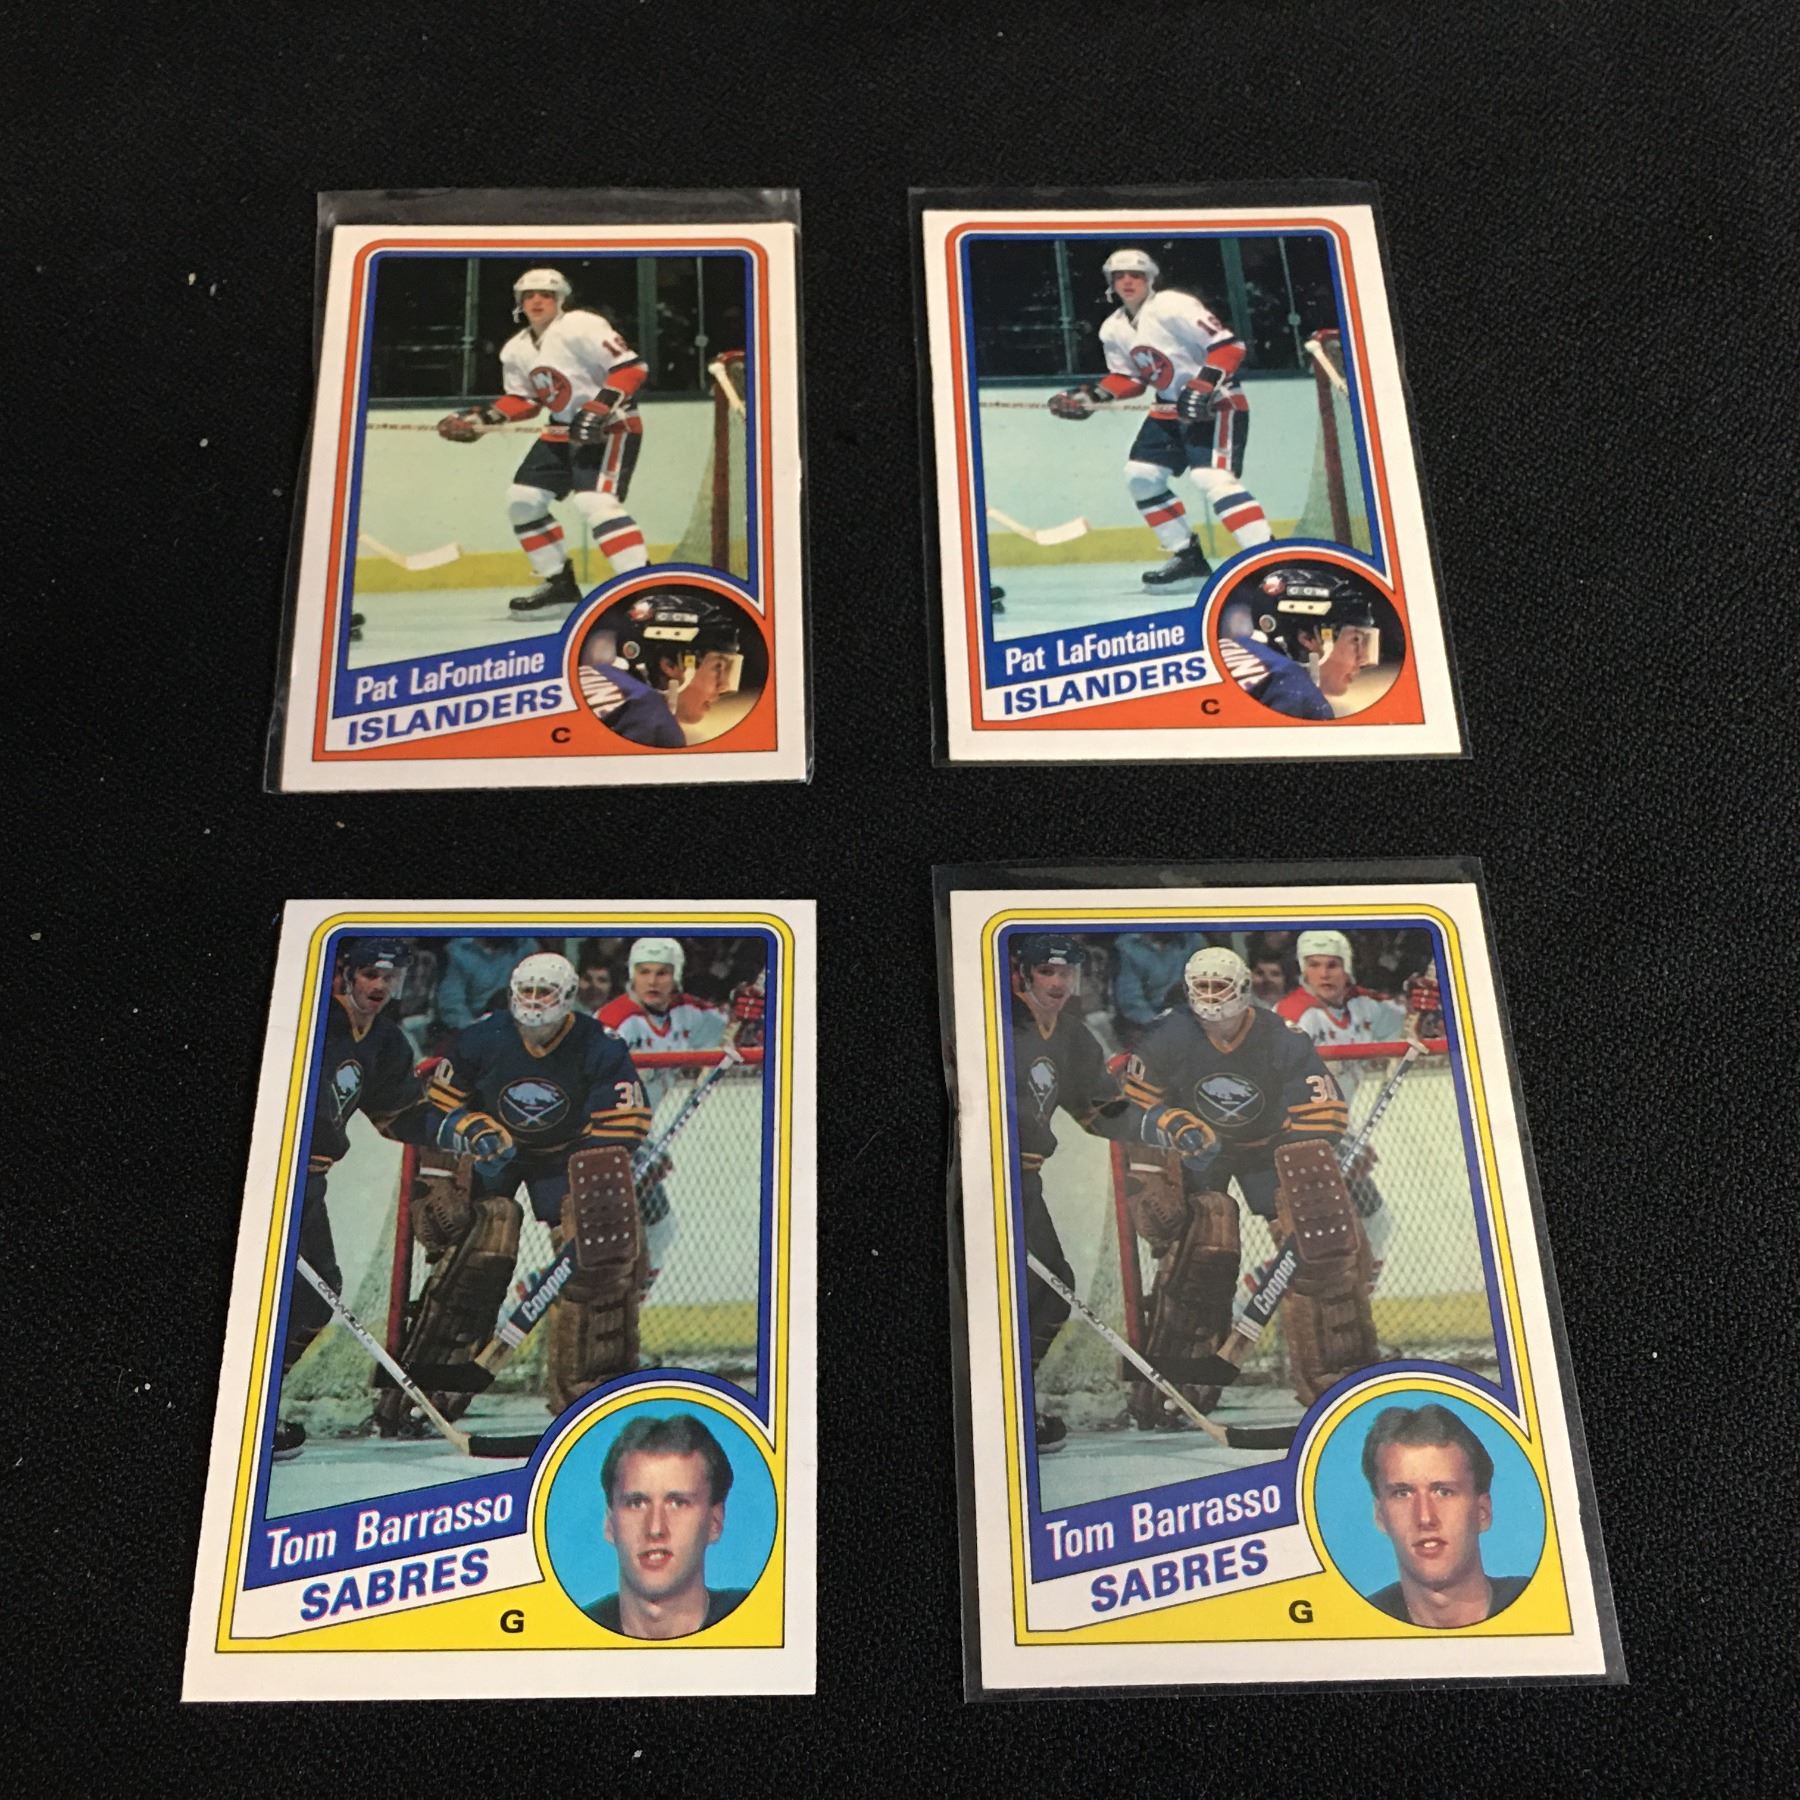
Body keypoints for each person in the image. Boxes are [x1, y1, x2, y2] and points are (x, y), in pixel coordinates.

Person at [381, 952, 653, 1428]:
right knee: (479, 1250)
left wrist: (591, 1179)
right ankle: (426, 1390)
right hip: (494, 1151)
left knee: (596, 1262)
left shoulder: (599, 1044)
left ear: (568, 997)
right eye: (526, 992)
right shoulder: (482, 1037)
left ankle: (588, 1395)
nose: (534, 1002)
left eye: (545, 993)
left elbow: (624, 1124)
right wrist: (451, 1158)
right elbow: (437, 1108)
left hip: (565, 1156)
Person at [1119, 947, 1377, 1414]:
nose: (1212, 997)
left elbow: (1325, 1112)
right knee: (1203, 1246)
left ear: (1242, 989)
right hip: (1201, 1150)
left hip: (1268, 1150)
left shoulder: (1281, 1037)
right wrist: (1168, 1125)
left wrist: (1301, 1172)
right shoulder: (1167, 1034)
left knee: (1321, 1251)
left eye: (1220, 987)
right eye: (1203, 987)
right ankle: (1179, 1378)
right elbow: (1131, 1104)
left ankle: (1337, 1377)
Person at [277, 939, 430, 1457]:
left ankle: (261, 1403)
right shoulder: (311, 1020)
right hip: (275, 1177)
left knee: (314, 1296)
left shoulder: (386, 1041)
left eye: (391, 977)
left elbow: (399, 1116)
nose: (380, 986)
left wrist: (457, 1128)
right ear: (346, 973)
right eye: (370, 974)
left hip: (310, 1183)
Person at [1048, 248, 1273, 589]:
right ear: (1110, 282)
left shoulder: (1172, 306)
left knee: (1211, 478)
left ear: (1150, 279)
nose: (1128, 281)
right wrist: (1088, 397)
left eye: (1136, 275)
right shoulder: (1113, 328)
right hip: (1168, 408)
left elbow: (1229, 347)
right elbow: (1130, 379)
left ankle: (1269, 559)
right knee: (1141, 476)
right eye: (1119, 276)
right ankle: (1187, 557)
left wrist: (1203, 385)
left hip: (1216, 403)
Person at [435, 268, 650, 615]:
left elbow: (632, 368)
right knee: (522, 500)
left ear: (560, 300)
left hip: (610, 427)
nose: (537, 301)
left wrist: (598, 408)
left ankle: (644, 589)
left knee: (595, 502)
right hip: (562, 430)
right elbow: (526, 401)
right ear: (519, 303)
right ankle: (559, 586)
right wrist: (481, 419)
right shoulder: (516, 349)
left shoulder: (580, 325)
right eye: (529, 295)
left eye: (546, 295)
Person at [1008, 934, 1135, 1451]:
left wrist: (1158, 1118)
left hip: (1024, 1185)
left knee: (1050, 1289)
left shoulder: (1072, 1036)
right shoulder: (995, 1023)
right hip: (981, 1183)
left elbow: (1098, 1111)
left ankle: (1013, 1403)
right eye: (1047, 972)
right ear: (1023, 973)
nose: (1059, 983)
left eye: (1066, 973)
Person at [599, 938, 730, 1293]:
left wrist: (747, 1009)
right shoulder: (617, 1021)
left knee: (657, 1228)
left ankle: (628, 1313)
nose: (653, 981)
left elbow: (731, 1032)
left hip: (635, 1140)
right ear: (632, 975)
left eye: (662, 973)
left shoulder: (687, 1013)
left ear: (676, 976)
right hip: (597, 1139)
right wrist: (631, 1146)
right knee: (595, 1244)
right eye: (644, 972)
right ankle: (510, 1313)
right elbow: (587, 1092)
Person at [1359, 1402, 1531, 1628]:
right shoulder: (1358, 1624)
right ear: (1380, 1515)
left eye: (1444, 1492)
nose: (1425, 1518)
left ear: (1482, 1512)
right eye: (1402, 1494)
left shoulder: (1541, 1603)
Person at [584, 1413, 748, 1638]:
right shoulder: (569, 1633)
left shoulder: (761, 1618)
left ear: (714, 1522)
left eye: (678, 1503)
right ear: (610, 1524)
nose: (655, 1528)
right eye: (636, 1503)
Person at [577, 590, 745, 747]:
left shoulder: (584, 676)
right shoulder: (652, 718)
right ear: (670, 665)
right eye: (718, 667)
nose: (723, 686)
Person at [1218, 565, 1380, 720]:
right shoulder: (1301, 697)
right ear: (1308, 638)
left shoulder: (1224, 647)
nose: (1362, 659)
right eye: (1355, 640)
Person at [1111, 931, 1201, 1046]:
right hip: (1148, 1023)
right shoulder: (1128, 947)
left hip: (1192, 1016)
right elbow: (1131, 1001)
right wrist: (1160, 1026)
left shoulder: (1193, 940)